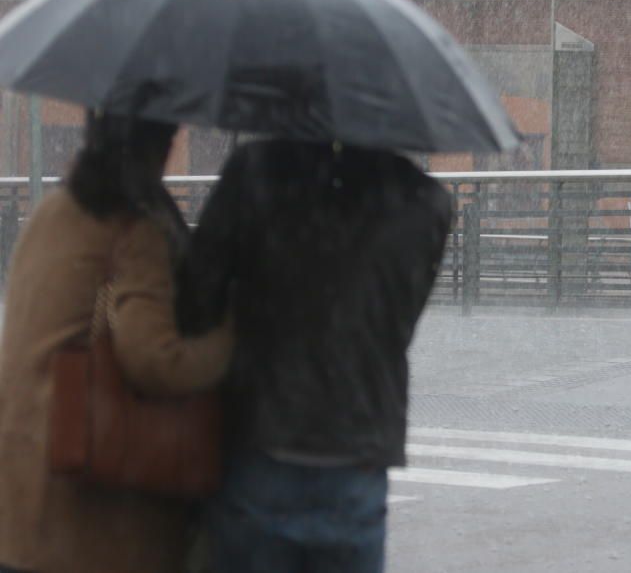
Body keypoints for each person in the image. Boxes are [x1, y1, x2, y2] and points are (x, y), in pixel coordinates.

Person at [175, 139, 453, 573]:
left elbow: (195, 300)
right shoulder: (422, 201)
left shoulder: (257, 172)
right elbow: (396, 324)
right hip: (355, 452)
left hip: (260, 442)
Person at [0, 112, 233, 573]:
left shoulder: (53, 210)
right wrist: (230, 344)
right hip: (92, 517)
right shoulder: (133, 226)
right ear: (157, 143)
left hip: (19, 505)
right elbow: (153, 361)